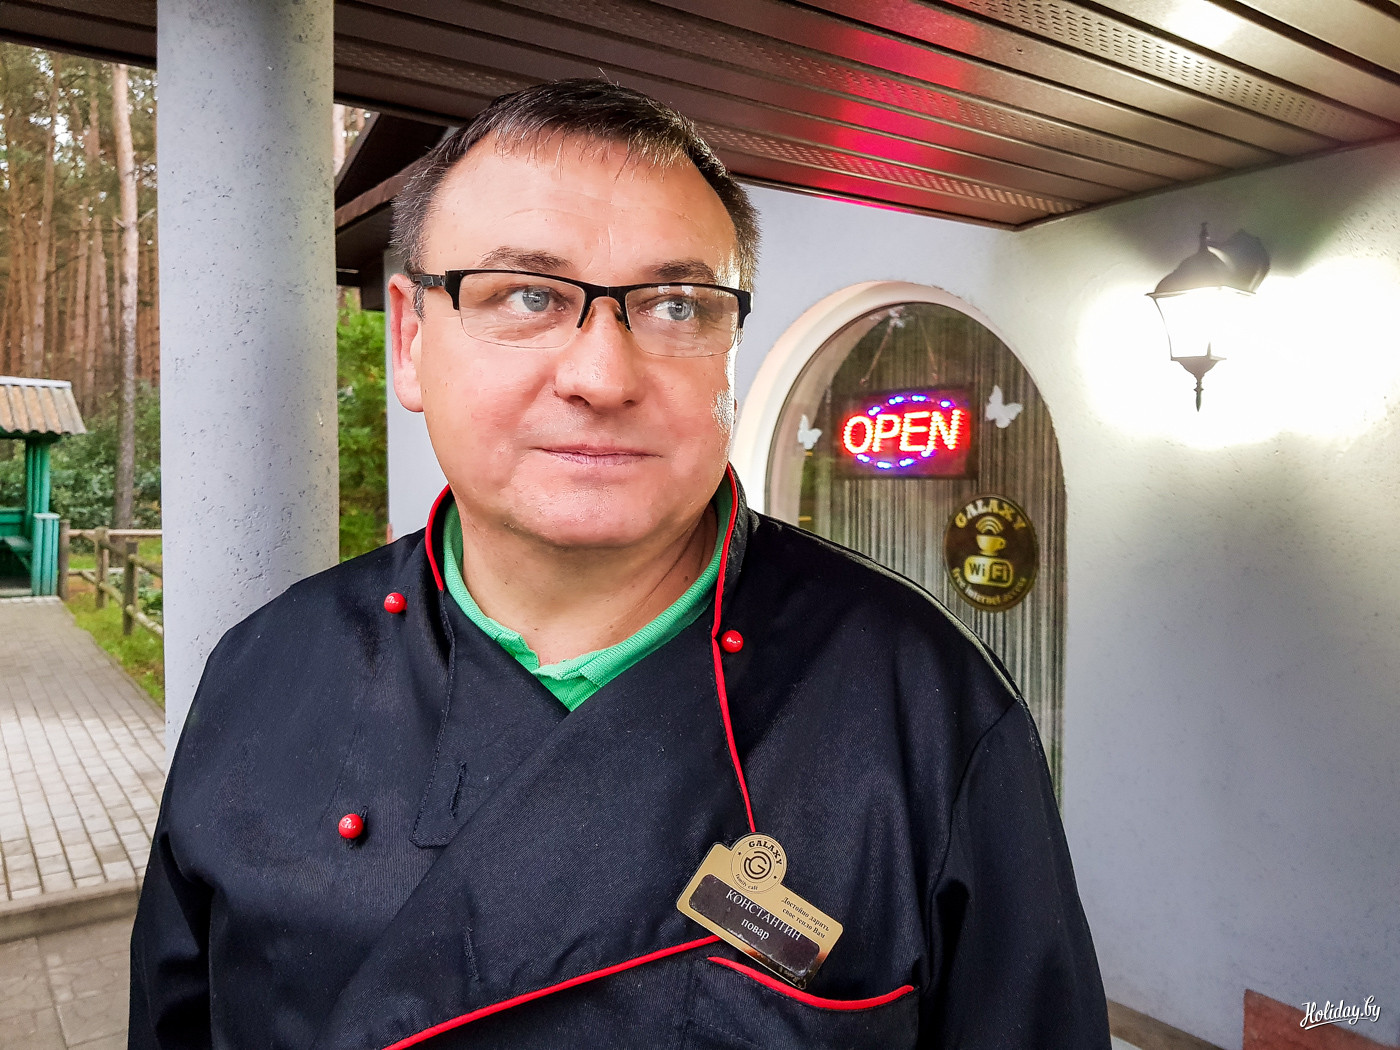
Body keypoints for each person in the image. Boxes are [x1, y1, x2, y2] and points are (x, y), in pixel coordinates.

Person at [129, 79, 1110, 1049]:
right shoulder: (264, 670)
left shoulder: (927, 704)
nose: (601, 376)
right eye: (527, 295)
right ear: (410, 338)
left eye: (678, 305)